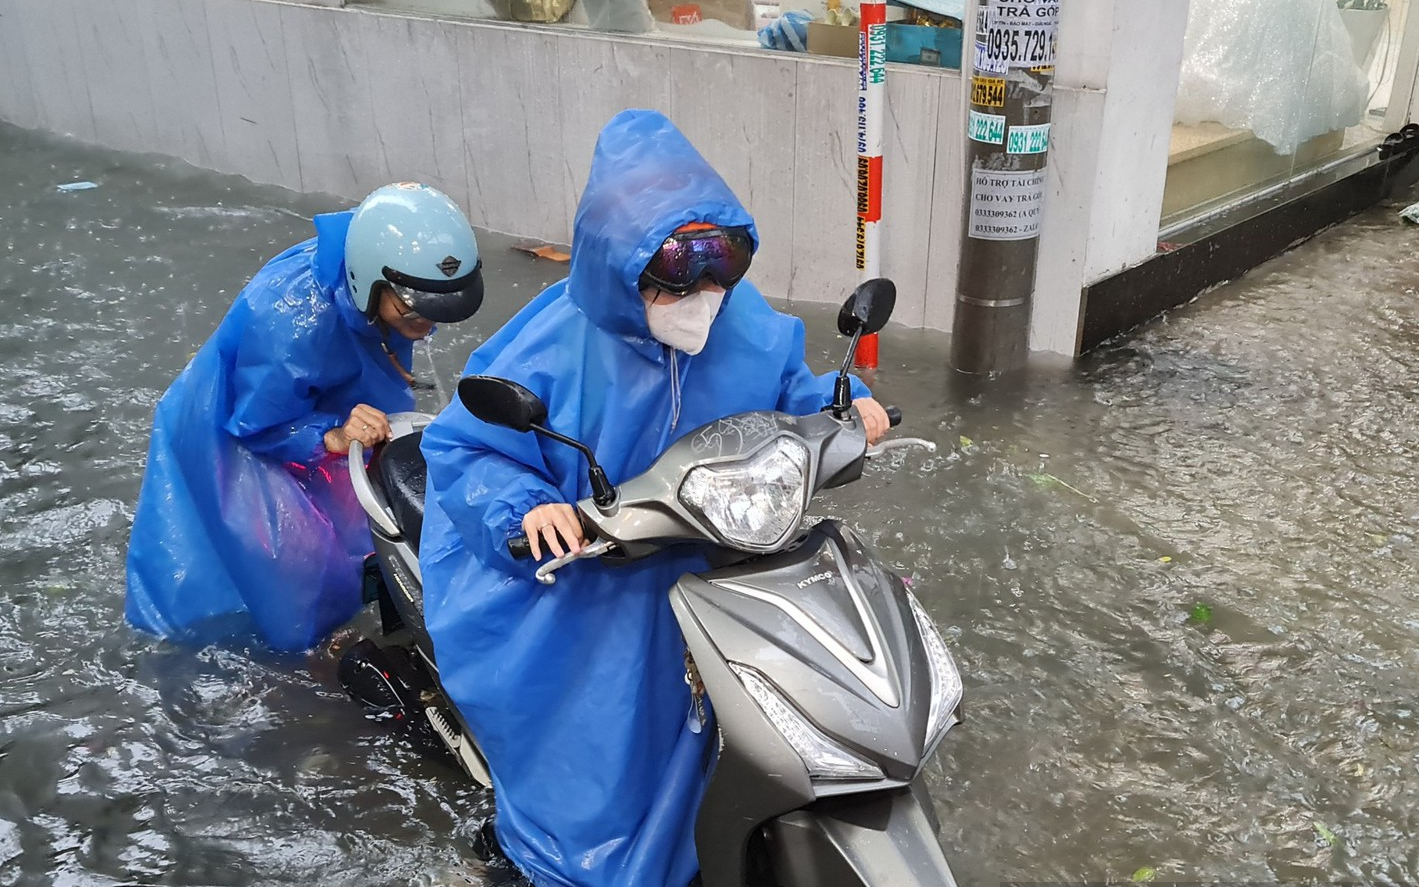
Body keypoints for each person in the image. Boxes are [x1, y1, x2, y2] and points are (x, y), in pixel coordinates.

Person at [418, 110, 888, 887]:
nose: (704, 293)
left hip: (716, 556)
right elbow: (462, 445)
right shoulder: (547, 348)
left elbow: (796, 391)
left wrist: (850, 407)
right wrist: (529, 507)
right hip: (582, 574)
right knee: (596, 753)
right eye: (679, 274)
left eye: (721, 268)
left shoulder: (746, 326)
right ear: (617, 264)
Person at [125, 182, 485, 652]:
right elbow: (258, 423)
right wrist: (331, 435)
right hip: (234, 430)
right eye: (415, 312)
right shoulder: (292, 321)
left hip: (311, 401)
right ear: (367, 281)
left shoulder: (378, 289)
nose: (429, 326)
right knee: (285, 570)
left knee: (360, 521)